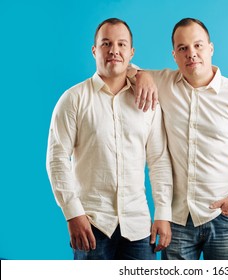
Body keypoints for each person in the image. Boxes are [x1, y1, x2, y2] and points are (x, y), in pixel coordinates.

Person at [131, 18, 228, 260]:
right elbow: (120, 64)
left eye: (198, 46)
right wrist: (141, 75)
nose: (191, 54)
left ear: (210, 48)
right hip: (177, 220)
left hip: (223, 218)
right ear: (174, 55)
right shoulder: (163, 82)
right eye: (183, 48)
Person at [46, 18, 172, 260]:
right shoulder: (73, 99)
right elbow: (57, 158)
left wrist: (163, 214)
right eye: (106, 44)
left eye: (121, 44)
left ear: (131, 52)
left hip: (138, 228)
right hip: (92, 225)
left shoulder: (148, 101)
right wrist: (73, 214)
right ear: (94, 50)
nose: (114, 50)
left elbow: (158, 159)